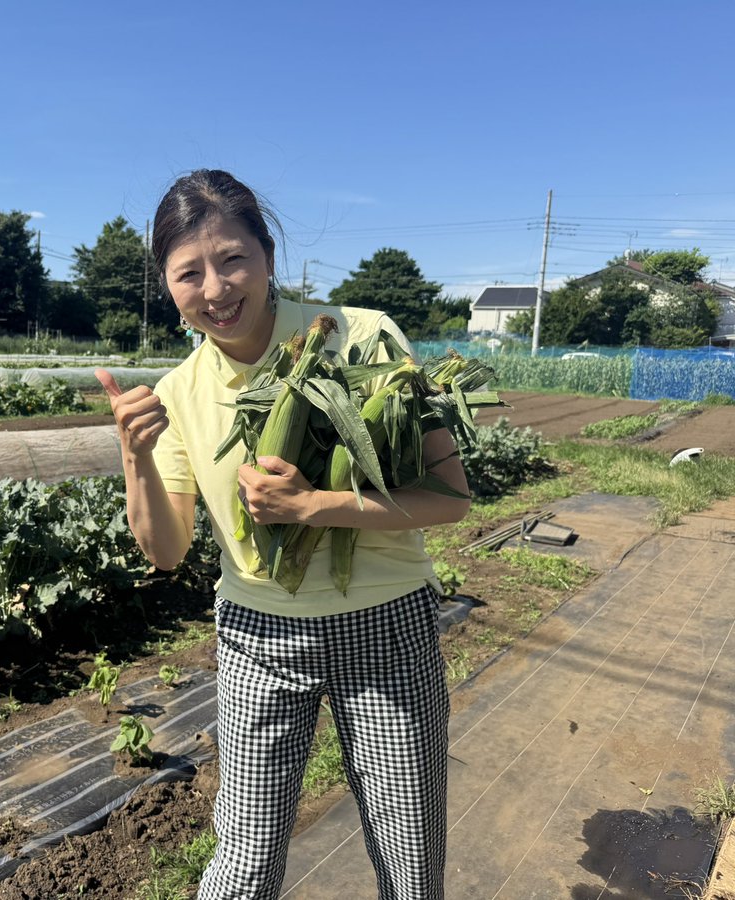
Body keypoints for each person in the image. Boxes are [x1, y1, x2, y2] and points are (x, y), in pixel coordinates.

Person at [94, 169, 470, 900]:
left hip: (386, 623)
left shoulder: (362, 337)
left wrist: (313, 506)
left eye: (233, 259)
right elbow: (166, 552)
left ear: (268, 256)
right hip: (256, 638)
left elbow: (449, 498)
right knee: (245, 861)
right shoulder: (179, 392)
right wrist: (135, 455)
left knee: (410, 858)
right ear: (167, 284)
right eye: (189, 273)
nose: (215, 289)